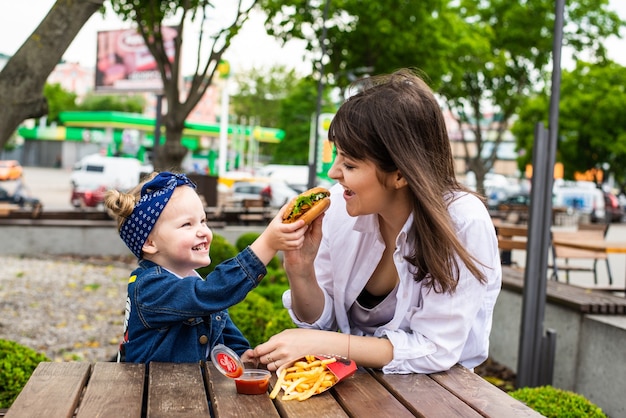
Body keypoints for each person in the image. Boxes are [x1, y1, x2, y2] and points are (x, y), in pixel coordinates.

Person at [252, 69, 502, 374]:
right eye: (337, 157)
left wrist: (321, 344)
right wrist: (301, 271)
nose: (333, 173)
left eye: (349, 163)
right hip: (350, 384)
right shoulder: (340, 208)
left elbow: (436, 348)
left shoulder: (462, 222)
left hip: (437, 395)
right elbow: (324, 321)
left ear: (400, 173)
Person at [104, 171, 307, 363]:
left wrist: (243, 356)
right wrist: (268, 244)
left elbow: (226, 333)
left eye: (203, 221)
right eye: (187, 224)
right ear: (149, 243)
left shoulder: (194, 282)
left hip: (190, 390)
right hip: (151, 394)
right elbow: (213, 293)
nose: (203, 231)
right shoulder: (149, 287)